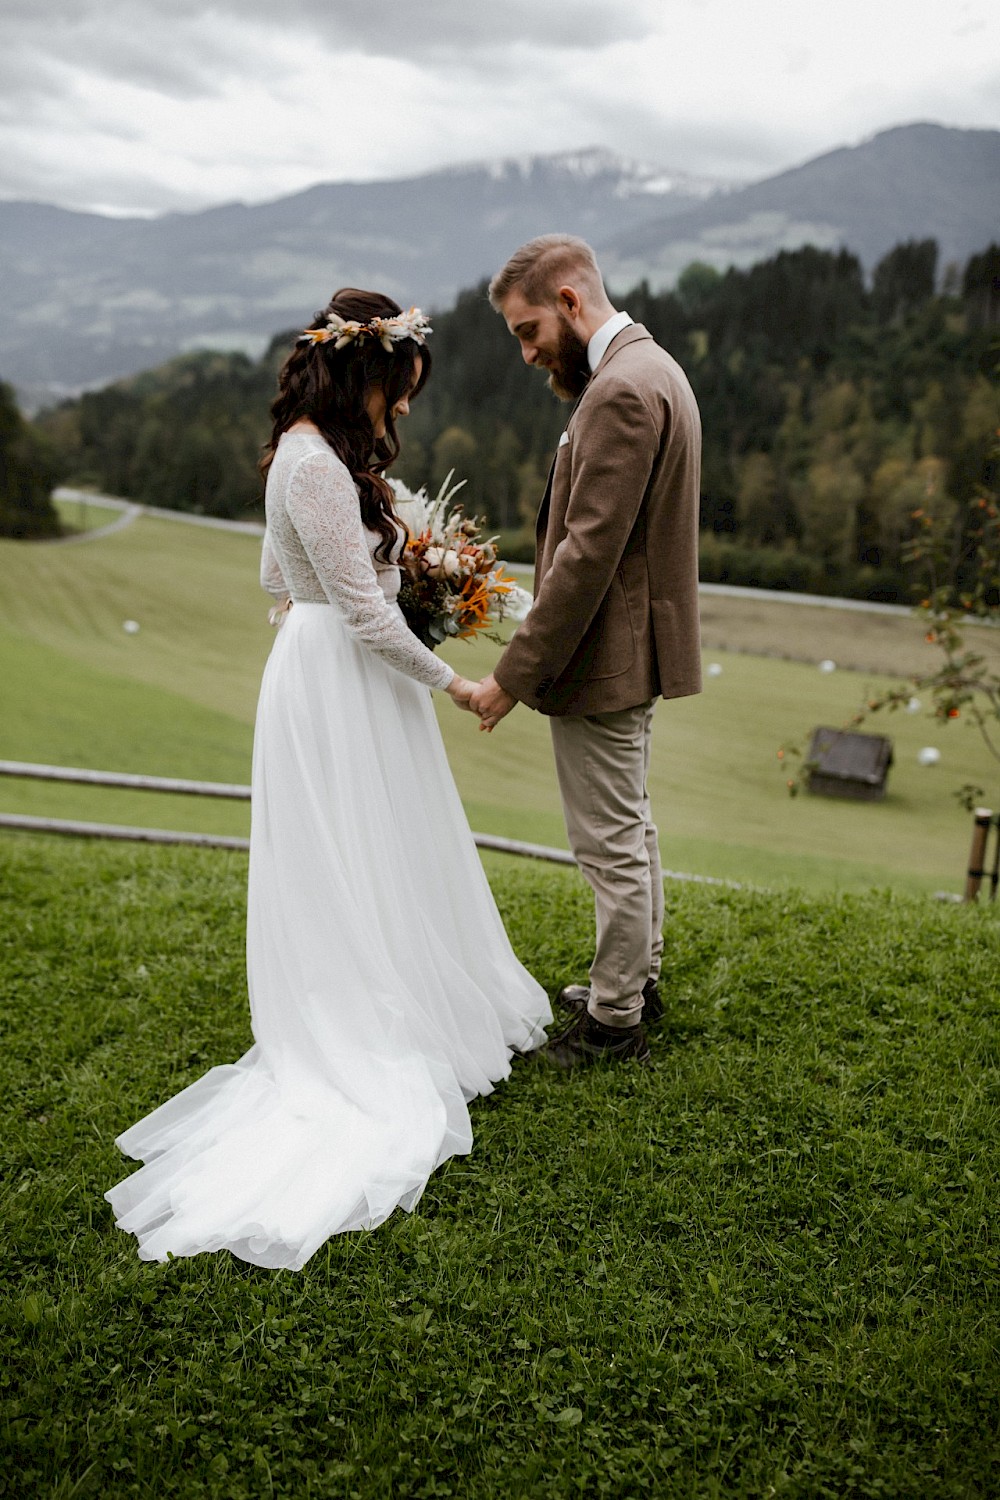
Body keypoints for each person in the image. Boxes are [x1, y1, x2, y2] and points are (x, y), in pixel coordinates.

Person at [105, 289, 551, 1269]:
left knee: (382, 845)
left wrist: (398, 592)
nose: (402, 410)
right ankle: (367, 1020)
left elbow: (279, 581)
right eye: (398, 392)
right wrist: (454, 680)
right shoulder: (313, 462)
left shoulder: (313, 455)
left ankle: (412, 988)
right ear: (367, 375)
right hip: (344, 677)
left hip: (342, 673)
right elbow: (350, 606)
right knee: (349, 854)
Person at [472, 236, 702, 1071]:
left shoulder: (621, 393)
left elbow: (585, 556)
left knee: (607, 842)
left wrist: (511, 675)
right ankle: (634, 980)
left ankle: (613, 1024)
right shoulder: (653, 369)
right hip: (631, 647)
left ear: (570, 301)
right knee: (628, 829)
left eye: (529, 330)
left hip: (606, 656)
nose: (529, 354)